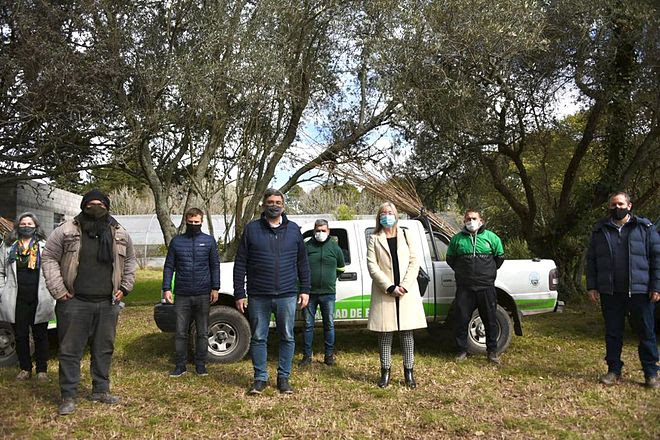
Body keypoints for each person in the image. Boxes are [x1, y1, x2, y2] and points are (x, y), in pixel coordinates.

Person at [42, 189, 136, 415]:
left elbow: (130, 261)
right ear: (83, 205)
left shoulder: (119, 232)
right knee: (69, 350)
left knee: (104, 349)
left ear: (107, 206)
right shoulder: (66, 230)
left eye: (100, 204)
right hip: (74, 302)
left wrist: (125, 287)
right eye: (91, 203)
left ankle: (100, 389)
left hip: (108, 302)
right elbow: (49, 257)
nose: (96, 207)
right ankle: (68, 395)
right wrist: (59, 290)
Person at [233, 188, 310, 395]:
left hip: (287, 294)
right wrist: (239, 292)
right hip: (259, 294)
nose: (274, 205)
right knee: (259, 337)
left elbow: (302, 262)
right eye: (270, 202)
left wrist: (305, 289)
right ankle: (260, 378)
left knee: (287, 336)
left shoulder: (294, 230)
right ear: (263, 205)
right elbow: (240, 263)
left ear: (283, 206)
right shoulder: (251, 230)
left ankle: (283, 378)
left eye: (278, 202)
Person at [586, 191, 659, 389]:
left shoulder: (645, 228)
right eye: (613, 205)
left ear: (629, 206)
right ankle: (613, 370)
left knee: (646, 332)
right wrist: (592, 286)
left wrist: (656, 286)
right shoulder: (600, 230)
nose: (616, 208)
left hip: (640, 291)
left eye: (620, 204)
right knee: (613, 332)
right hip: (611, 292)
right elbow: (591, 259)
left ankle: (651, 373)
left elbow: (656, 259)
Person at [366, 202, 427, 389]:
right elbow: (372, 265)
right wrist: (390, 287)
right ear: (379, 216)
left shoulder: (407, 234)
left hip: (406, 292)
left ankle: (409, 372)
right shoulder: (374, 238)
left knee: (407, 334)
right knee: (385, 334)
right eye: (383, 213)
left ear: (396, 215)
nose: (386, 215)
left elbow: (414, 261)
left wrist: (404, 286)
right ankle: (385, 372)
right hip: (385, 292)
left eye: (390, 212)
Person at [162, 208, 220, 378]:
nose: (194, 224)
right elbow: (169, 266)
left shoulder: (209, 241)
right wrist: (166, 288)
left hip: (203, 293)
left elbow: (214, 265)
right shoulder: (177, 242)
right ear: (186, 221)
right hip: (182, 293)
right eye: (191, 221)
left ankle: (200, 364)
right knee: (180, 332)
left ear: (201, 222)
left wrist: (215, 287)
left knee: (202, 331)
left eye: (197, 222)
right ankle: (180, 365)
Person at [0, 213, 55, 382]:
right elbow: (1, 270)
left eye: (30, 223)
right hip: (16, 297)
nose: (26, 226)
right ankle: (25, 368)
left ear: (36, 226)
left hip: (40, 296)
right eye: (23, 223)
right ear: (17, 226)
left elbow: (53, 270)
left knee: (41, 335)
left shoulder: (44, 246)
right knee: (21, 335)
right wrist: (2, 291)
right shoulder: (8, 246)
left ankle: (41, 370)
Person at [446, 209, 504, 364]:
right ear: (464, 221)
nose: (471, 221)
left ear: (481, 220)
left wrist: (487, 273)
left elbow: (500, 257)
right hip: (465, 288)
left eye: (474, 218)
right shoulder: (457, 239)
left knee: (490, 320)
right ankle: (462, 351)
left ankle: (492, 352)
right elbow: (450, 259)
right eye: (468, 219)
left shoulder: (491, 238)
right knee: (462, 320)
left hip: (486, 287)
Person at [299, 219, 345, 367]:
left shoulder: (335, 248)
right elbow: (299, 267)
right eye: (318, 230)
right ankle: (307, 356)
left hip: (328, 293)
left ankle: (329, 356)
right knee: (307, 325)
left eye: (323, 230)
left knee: (329, 325)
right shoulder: (306, 247)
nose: (320, 233)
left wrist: (331, 280)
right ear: (314, 231)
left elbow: (341, 268)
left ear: (328, 231)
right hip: (309, 293)